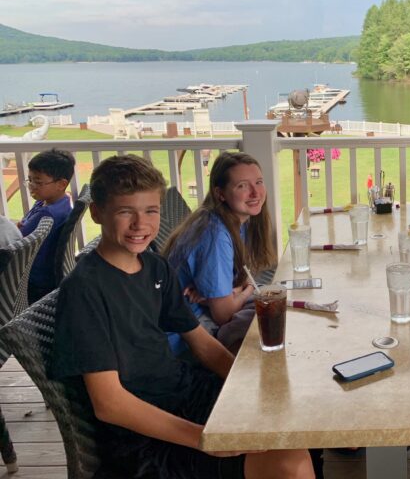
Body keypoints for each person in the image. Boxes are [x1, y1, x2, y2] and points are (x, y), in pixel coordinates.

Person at [51, 154, 314, 479]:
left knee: (295, 419)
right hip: (146, 436)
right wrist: (203, 438)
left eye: (151, 211)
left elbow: (202, 344)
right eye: (125, 212)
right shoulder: (85, 290)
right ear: (97, 212)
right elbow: (110, 403)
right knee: (288, 461)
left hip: (187, 394)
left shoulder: (155, 268)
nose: (140, 224)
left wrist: (249, 384)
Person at [164, 151, 277, 353]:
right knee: (270, 318)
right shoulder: (214, 234)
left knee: (276, 305)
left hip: (205, 315)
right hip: (188, 334)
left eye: (259, 182)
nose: (255, 193)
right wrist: (249, 288)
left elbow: (239, 278)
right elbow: (223, 314)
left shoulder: (234, 222)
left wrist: (232, 291)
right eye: (242, 185)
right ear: (220, 193)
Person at [18, 148, 75, 303]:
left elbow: (16, 241)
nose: (31, 185)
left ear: (61, 184)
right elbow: (23, 227)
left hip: (30, 281)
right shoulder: (59, 203)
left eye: (38, 181)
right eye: (29, 180)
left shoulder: (48, 214)